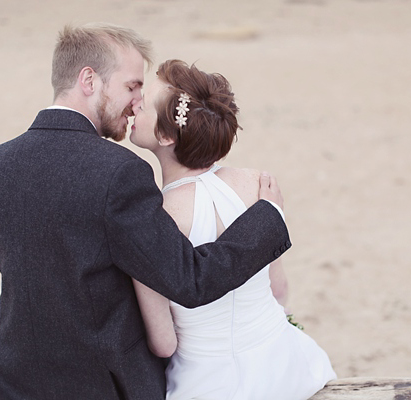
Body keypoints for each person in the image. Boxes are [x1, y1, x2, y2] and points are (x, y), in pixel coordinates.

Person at [0, 23, 291, 400]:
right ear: (89, 80)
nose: (136, 102)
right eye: (131, 86)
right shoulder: (119, 172)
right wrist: (268, 217)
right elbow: (190, 280)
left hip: (7, 382)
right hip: (101, 386)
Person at [130, 59, 337, 400]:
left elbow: (164, 343)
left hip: (207, 383)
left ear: (167, 136)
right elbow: (279, 290)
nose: (135, 103)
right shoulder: (258, 184)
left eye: (144, 102)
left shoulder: (155, 220)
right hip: (285, 366)